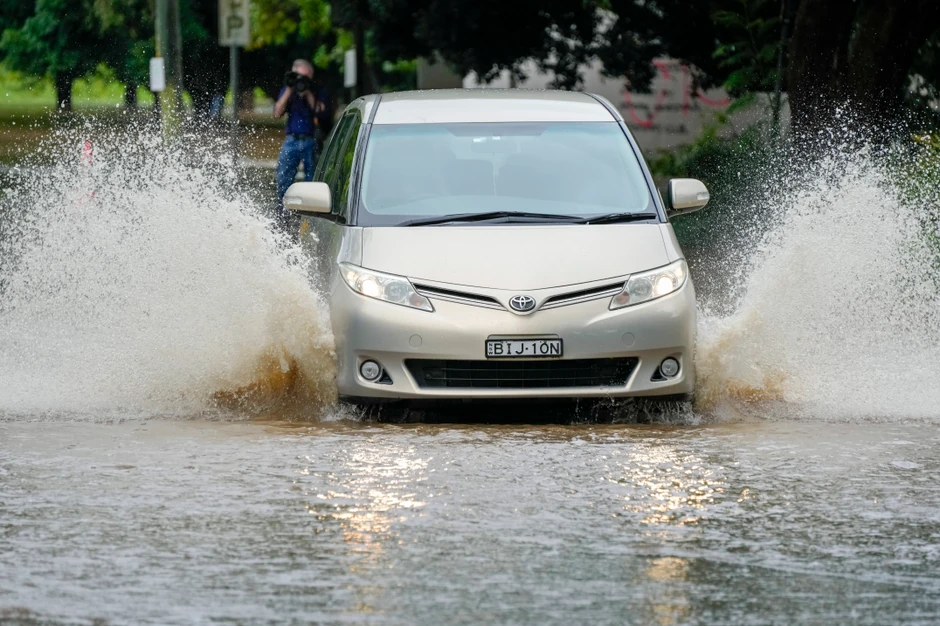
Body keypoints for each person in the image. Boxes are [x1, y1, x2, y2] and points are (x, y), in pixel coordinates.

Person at [274, 59, 318, 216]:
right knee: (283, 181)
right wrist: (289, 89)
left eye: (304, 77)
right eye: (298, 77)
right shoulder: (288, 90)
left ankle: (309, 218)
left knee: (312, 182)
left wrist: (307, 92)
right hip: (291, 140)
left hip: (310, 140)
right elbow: (277, 113)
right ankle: (282, 217)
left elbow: (319, 112)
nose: (301, 80)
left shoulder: (315, 90)